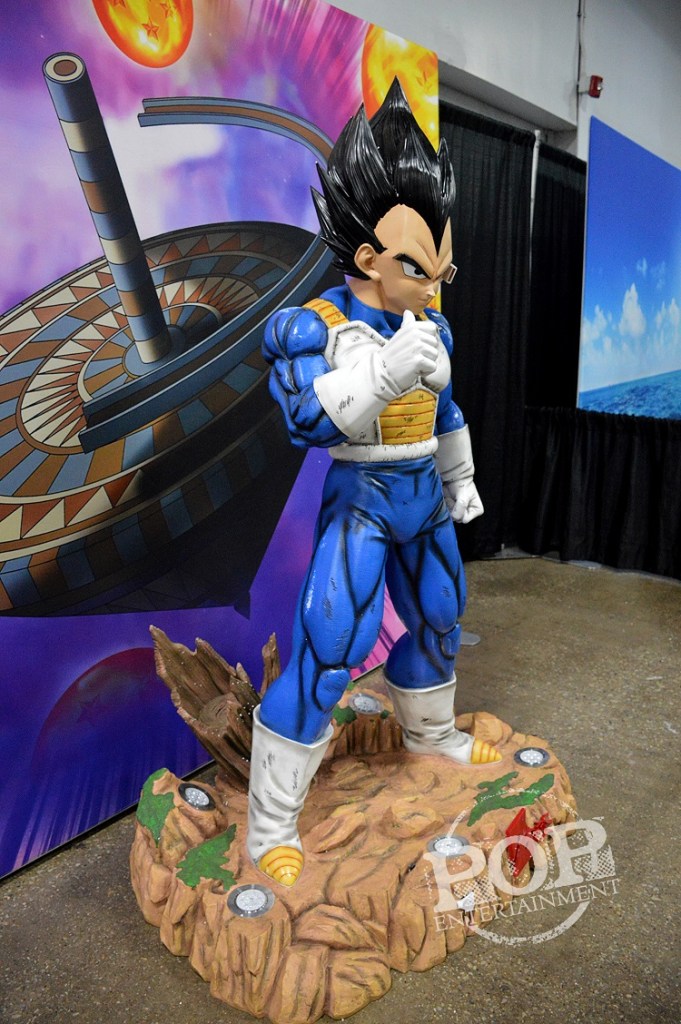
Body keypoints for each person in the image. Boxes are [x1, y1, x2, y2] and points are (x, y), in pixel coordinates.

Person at [247, 78, 501, 888]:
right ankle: (270, 823)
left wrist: (460, 479)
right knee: (332, 651)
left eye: (441, 268)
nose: (433, 284)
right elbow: (305, 422)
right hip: (361, 498)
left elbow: (446, 409)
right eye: (419, 267)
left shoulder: (433, 322)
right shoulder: (311, 327)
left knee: (438, 616)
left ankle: (429, 738)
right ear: (367, 258)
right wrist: (383, 374)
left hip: (423, 490)